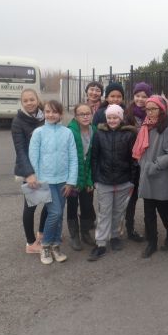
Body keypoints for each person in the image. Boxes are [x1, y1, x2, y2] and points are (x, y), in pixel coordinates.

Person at [29, 100, 78, 265]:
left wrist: (71, 181)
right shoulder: (38, 133)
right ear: (44, 113)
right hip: (46, 181)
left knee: (59, 213)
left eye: (55, 112)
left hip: (63, 181)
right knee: (55, 213)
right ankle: (45, 245)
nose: (51, 115)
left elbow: (73, 158)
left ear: (61, 114)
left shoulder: (67, 133)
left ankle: (55, 246)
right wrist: (36, 178)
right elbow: (33, 158)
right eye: (48, 111)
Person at [87, 104, 137, 261]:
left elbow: (133, 159)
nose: (112, 120)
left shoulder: (129, 135)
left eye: (115, 117)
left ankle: (115, 236)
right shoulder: (99, 134)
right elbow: (94, 157)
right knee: (104, 212)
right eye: (109, 117)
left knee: (118, 211)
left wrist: (132, 179)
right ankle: (101, 243)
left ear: (120, 118)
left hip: (123, 180)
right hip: (104, 181)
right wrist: (95, 178)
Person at [133, 95, 168, 258]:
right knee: (148, 213)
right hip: (147, 175)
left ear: (161, 110)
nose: (150, 112)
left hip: (159, 176)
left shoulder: (166, 128)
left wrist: (155, 166)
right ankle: (151, 243)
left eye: (154, 109)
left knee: (165, 211)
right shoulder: (145, 127)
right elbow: (140, 150)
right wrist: (143, 164)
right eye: (147, 109)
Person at [11, 88, 47, 254]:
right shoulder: (18, 122)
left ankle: (42, 233)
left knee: (49, 202)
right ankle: (31, 243)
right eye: (25, 101)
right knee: (31, 206)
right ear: (22, 103)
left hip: (46, 167)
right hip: (30, 170)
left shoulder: (44, 116)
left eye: (32, 99)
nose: (29, 103)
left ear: (37, 99)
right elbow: (20, 150)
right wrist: (29, 173)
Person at [123, 82, 153, 242]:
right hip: (131, 161)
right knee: (132, 198)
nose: (140, 99)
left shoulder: (152, 113)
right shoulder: (127, 113)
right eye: (137, 95)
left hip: (147, 160)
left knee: (149, 197)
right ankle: (130, 228)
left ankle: (150, 228)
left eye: (144, 96)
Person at [66, 103, 96, 251]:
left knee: (87, 205)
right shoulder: (69, 132)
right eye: (81, 114)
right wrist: (73, 180)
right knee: (72, 205)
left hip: (87, 177)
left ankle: (85, 233)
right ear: (76, 116)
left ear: (91, 114)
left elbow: (92, 158)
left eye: (87, 113)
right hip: (72, 178)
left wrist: (90, 179)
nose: (85, 117)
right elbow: (67, 158)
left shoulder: (94, 131)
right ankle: (74, 236)